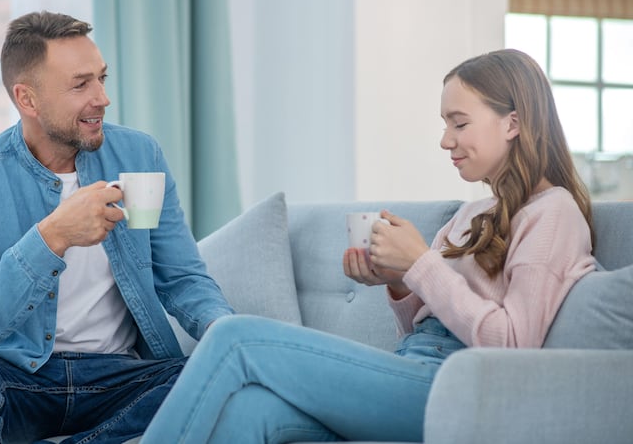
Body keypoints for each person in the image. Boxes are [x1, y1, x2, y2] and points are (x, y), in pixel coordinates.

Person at [139, 48, 597, 443]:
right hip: (414, 369)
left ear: (513, 122)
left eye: (459, 123)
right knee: (252, 411)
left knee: (234, 337)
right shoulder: (474, 213)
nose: (445, 140)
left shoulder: (552, 214)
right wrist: (398, 281)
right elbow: (419, 331)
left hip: (459, 388)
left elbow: (514, 346)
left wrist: (420, 264)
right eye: (445, 124)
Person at [0, 11, 234, 444]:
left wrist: (223, 329)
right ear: (27, 99)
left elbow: (181, 277)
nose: (102, 98)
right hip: (22, 379)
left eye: (102, 79)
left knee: (218, 379)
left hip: (122, 378)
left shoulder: (139, 156)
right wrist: (53, 237)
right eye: (81, 84)